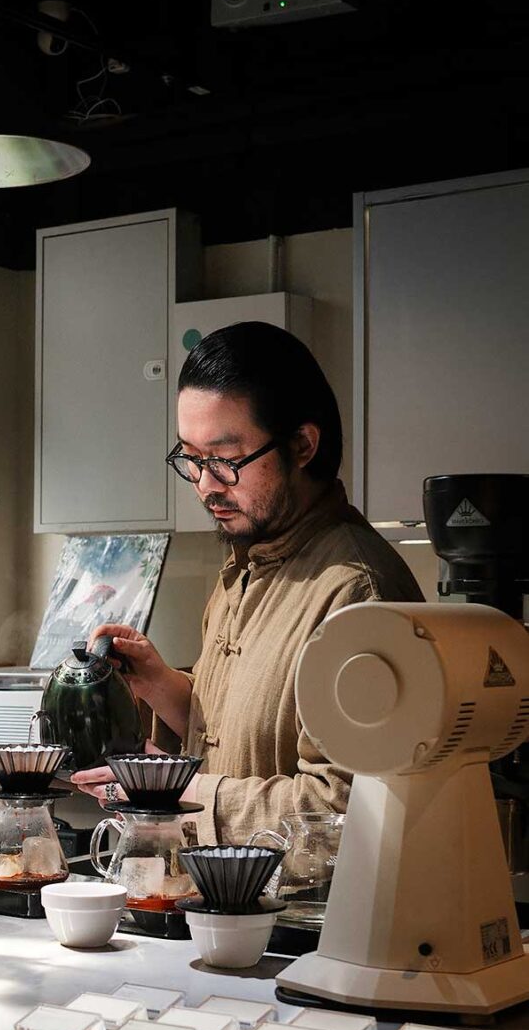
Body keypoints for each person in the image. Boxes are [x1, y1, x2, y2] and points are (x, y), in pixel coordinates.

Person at [72, 321, 423, 844]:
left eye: (226, 460)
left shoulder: (357, 594)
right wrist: (164, 687)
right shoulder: (244, 565)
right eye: (190, 459)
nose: (205, 485)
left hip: (308, 919)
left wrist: (179, 795)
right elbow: (252, 734)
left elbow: (343, 808)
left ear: (302, 445)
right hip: (229, 905)